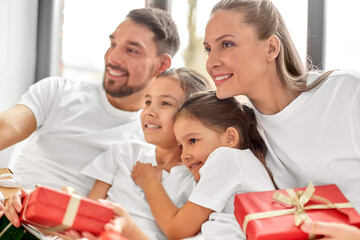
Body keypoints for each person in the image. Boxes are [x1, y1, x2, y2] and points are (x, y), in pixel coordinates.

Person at [204, 0, 360, 238]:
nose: (211, 62)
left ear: (271, 48)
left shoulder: (347, 93)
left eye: (227, 44)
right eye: (208, 49)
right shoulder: (242, 135)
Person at [0, 7, 179, 197]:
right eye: (113, 44)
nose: (112, 58)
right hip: (10, 206)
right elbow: (7, 126)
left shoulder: (152, 139)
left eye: (131, 50)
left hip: (69, 222)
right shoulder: (57, 91)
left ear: (162, 65)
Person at [78, 68, 211, 239]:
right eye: (147, 102)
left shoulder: (197, 177)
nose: (149, 111)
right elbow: (87, 213)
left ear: (195, 116)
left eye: (165, 103)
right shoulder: (123, 153)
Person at [131, 91, 276, 239]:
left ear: (230, 138)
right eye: (181, 146)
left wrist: (150, 183)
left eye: (192, 141)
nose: (184, 155)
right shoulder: (241, 163)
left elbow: (177, 229)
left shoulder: (227, 158)